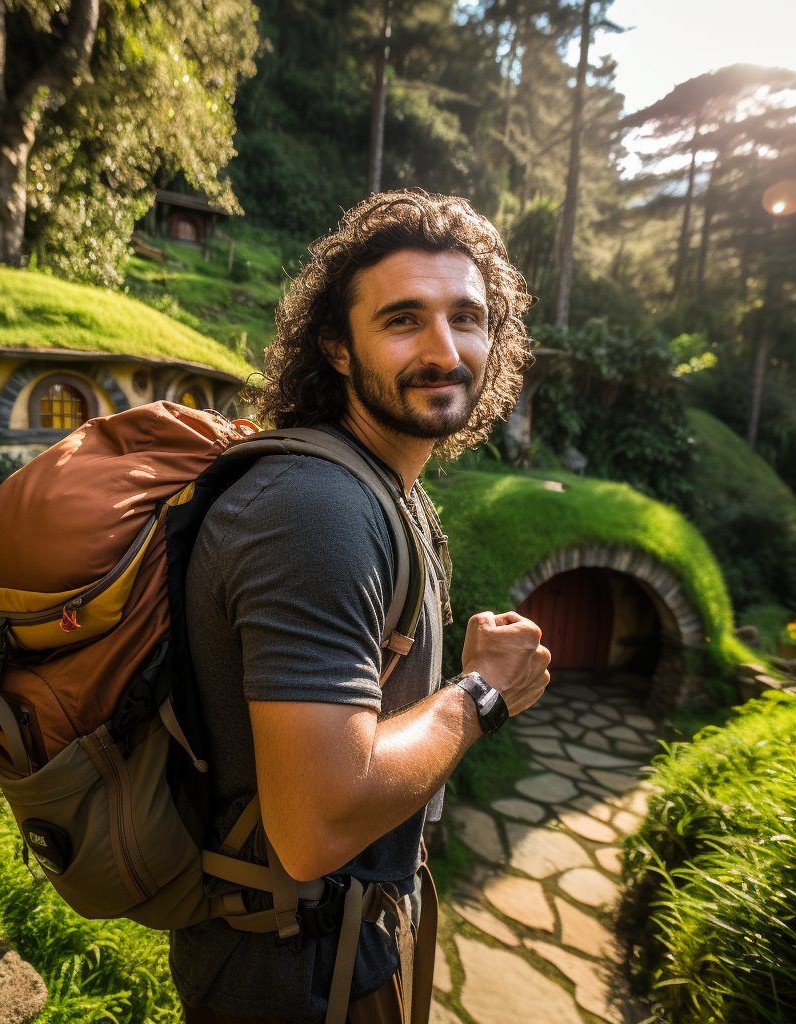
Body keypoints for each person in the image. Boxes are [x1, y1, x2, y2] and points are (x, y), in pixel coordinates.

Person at [171, 191, 551, 1023]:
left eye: (468, 317)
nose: (446, 350)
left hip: (344, 939)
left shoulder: (387, 489)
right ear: (337, 348)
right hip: (289, 970)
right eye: (404, 320)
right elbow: (316, 822)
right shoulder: (315, 512)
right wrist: (480, 695)